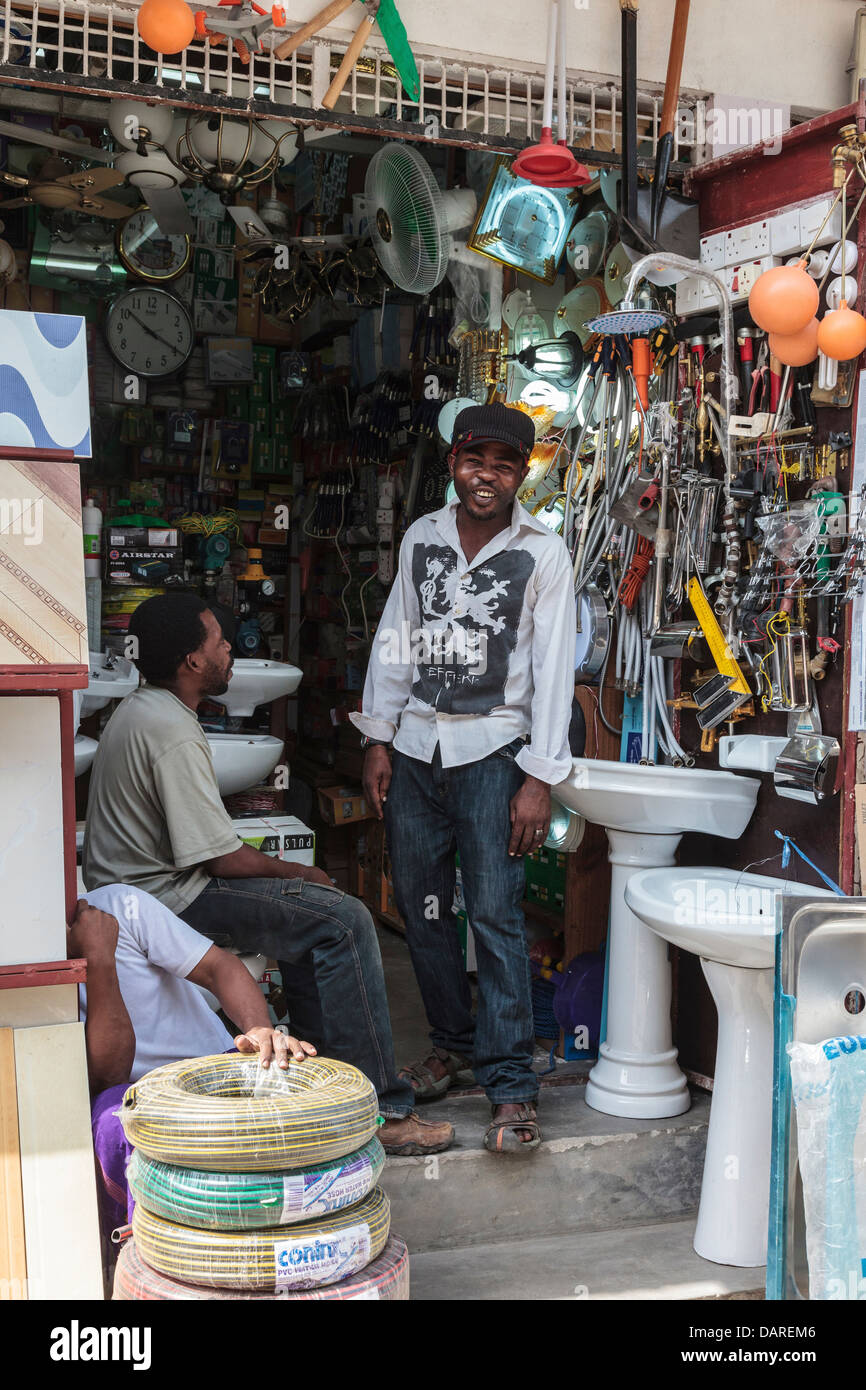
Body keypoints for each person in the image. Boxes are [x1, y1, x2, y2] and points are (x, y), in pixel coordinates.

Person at [82, 592, 452, 1158]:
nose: (230, 649)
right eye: (219, 642)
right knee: (344, 919)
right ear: (193, 662)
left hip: (148, 887)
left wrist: (293, 882)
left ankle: (319, 1086)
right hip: (164, 899)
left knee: (309, 924)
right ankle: (382, 1110)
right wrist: (301, 873)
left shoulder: (140, 708)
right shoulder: (171, 732)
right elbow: (221, 860)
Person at [351, 402, 576, 1153]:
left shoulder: (543, 553)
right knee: (423, 911)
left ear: (522, 473)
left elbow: (551, 674)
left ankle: (510, 1085)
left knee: (496, 915)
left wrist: (538, 779)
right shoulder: (423, 538)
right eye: (476, 461)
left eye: (505, 466)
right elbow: (395, 640)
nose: (489, 477)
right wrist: (377, 738)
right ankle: (451, 1045)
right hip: (416, 751)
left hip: (492, 756)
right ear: (453, 463)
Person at [69, 883, 316, 1240]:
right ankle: (156, 1257)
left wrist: (260, 1028)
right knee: (112, 1122)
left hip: (212, 1068)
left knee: (290, 1073)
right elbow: (111, 1076)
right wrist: (99, 959)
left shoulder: (122, 906)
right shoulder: (26, 959)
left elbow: (219, 967)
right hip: (139, 1100)